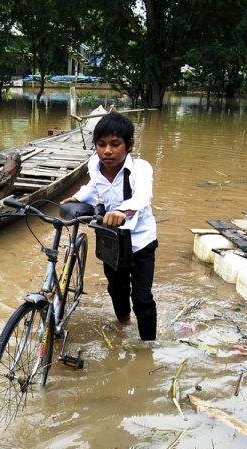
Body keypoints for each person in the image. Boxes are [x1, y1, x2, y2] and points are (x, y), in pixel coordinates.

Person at [61, 112, 158, 341]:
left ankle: (148, 347)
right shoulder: (95, 164)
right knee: (117, 289)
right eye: (101, 145)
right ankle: (124, 325)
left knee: (142, 297)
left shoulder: (141, 169)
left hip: (141, 241)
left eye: (115, 145)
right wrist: (76, 198)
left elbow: (143, 197)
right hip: (111, 239)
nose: (107, 151)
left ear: (129, 145)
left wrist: (122, 212)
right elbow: (93, 186)